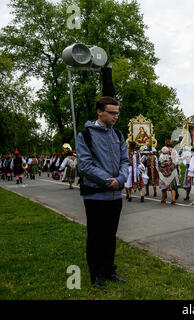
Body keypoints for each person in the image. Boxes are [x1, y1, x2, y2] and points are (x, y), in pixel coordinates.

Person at [76, 96, 129, 289]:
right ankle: (96, 274)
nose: (116, 116)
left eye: (117, 113)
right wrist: (109, 181)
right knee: (96, 236)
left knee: (110, 235)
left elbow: (125, 161)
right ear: (100, 111)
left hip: (115, 195)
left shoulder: (118, 135)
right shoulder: (86, 135)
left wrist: (121, 180)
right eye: (112, 112)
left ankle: (109, 270)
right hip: (96, 195)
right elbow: (85, 165)